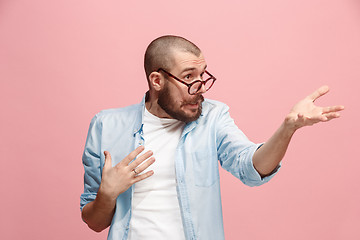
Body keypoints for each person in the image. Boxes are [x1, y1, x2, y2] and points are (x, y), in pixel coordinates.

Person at [80, 35, 344, 240]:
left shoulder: (213, 117)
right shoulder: (106, 125)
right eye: (188, 78)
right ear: (157, 80)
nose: (200, 89)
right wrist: (107, 193)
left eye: (202, 75)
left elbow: (250, 167)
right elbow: (95, 222)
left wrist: (287, 129)